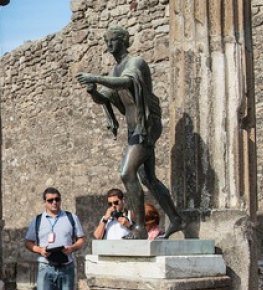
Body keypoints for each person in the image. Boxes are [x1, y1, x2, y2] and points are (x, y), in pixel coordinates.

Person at [76, 25, 185, 239]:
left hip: (146, 126)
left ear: (125, 41)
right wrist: (93, 92)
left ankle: (139, 228)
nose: (109, 45)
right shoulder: (114, 70)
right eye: (106, 41)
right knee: (148, 178)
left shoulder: (136, 63)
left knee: (127, 173)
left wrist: (95, 78)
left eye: (113, 40)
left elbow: (127, 81)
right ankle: (177, 219)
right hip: (134, 128)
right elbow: (105, 97)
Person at [24, 188, 87, 290]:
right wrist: (40, 250)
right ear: (44, 201)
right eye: (50, 200)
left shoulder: (71, 218)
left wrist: (72, 248)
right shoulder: (37, 220)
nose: (54, 203)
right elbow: (28, 242)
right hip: (46, 266)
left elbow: (81, 239)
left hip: (66, 265)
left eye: (57, 199)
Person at [92, 188, 134, 290]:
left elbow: (140, 234)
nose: (114, 206)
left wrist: (129, 224)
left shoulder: (130, 214)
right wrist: (105, 218)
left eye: (116, 202)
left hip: (127, 264)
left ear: (123, 201)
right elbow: (96, 236)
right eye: (110, 203)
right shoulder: (107, 219)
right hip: (110, 265)